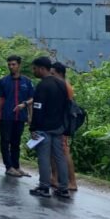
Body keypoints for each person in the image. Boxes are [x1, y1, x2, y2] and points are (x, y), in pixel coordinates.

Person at [27, 56, 70, 199]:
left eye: (35, 68)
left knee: (44, 158)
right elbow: (66, 107)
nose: (34, 71)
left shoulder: (42, 86)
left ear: (41, 68)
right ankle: (63, 188)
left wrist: (33, 128)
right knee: (60, 157)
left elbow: (38, 108)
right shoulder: (61, 84)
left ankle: (44, 187)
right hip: (58, 127)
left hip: (43, 128)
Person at [0, 55, 34, 178]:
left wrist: (30, 116)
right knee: (5, 142)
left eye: (13, 64)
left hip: (20, 117)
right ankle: (9, 167)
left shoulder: (27, 82)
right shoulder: (3, 81)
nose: (11, 67)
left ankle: (16, 166)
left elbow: (31, 99)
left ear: (19, 65)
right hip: (6, 116)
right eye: (9, 64)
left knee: (16, 142)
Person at [50, 62, 79, 191]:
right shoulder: (59, 85)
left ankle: (72, 182)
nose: (51, 76)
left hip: (62, 125)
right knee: (55, 152)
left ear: (59, 74)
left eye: (53, 74)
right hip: (57, 123)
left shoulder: (64, 86)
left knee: (64, 151)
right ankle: (55, 178)